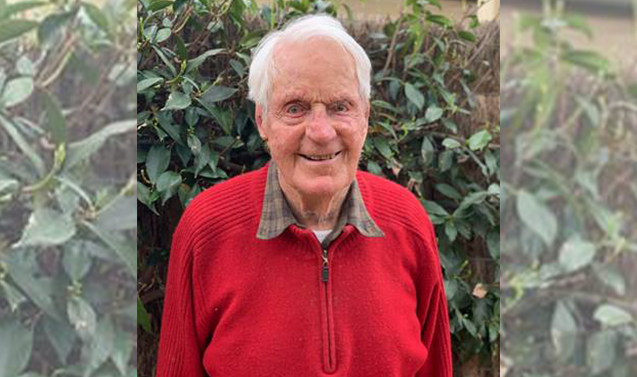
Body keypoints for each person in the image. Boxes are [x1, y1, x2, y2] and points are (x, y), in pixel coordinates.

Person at [156, 14, 453, 377]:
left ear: (365, 117)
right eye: (295, 108)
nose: (321, 131)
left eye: (340, 107)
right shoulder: (207, 230)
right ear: (263, 120)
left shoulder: (408, 222)